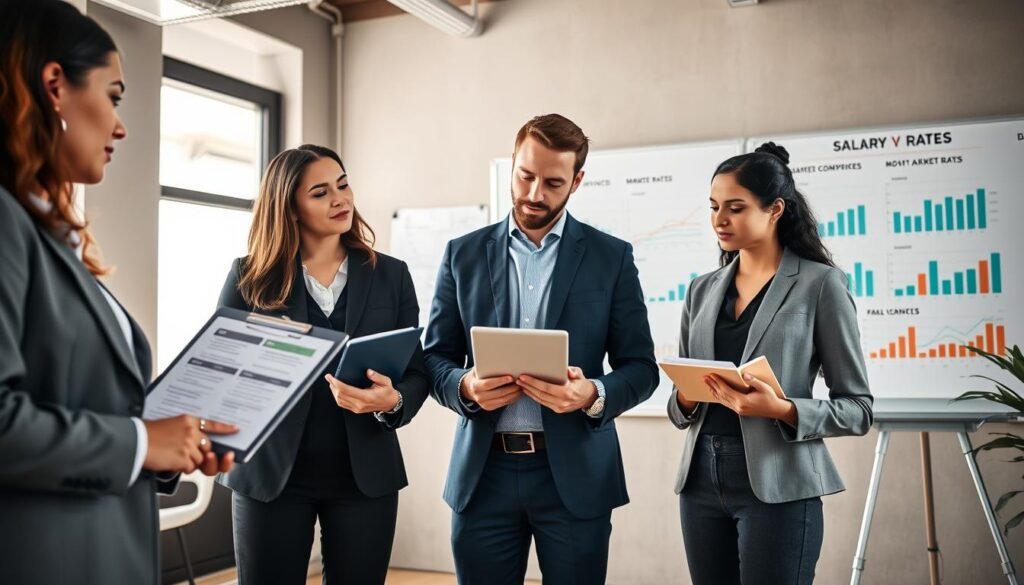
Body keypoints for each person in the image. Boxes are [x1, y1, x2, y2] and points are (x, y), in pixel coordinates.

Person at [0, 2, 236, 584]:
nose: (121, 126)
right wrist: (141, 441)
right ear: (55, 86)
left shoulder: (47, 235)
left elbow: (75, 400)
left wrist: (174, 440)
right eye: (114, 97)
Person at [424, 113, 659, 584]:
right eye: (525, 176)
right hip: (482, 475)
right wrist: (464, 387)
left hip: (575, 475)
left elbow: (641, 368)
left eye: (552, 183)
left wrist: (593, 394)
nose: (534, 193)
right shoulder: (462, 254)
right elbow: (433, 359)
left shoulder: (611, 258)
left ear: (577, 181)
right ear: (512, 164)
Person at [217, 144, 430, 585]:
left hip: (364, 476)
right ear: (290, 208)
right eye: (320, 193)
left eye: (343, 185)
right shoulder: (249, 277)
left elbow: (417, 371)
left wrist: (392, 401)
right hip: (271, 476)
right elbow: (220, 371)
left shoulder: (391, 275)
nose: (340, 199)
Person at [668, 142, 874, 585]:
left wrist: (780, 409)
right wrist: (685, 397)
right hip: (700, 482)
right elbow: (679, 407)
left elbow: (858, 409)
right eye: (714, 207)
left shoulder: (821, 284)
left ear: (775, 209)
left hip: (780, 485)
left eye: (736, 208)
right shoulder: (701, 290)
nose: (719, 220)